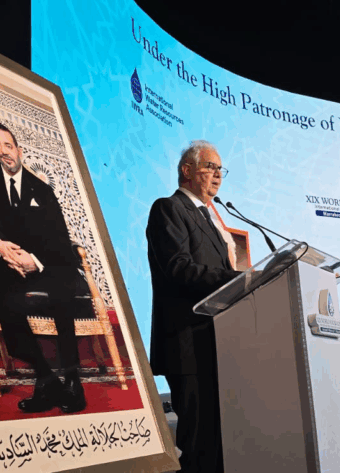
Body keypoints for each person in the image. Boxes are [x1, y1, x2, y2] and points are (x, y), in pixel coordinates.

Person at [0, 121, 88, 414]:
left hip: (46, 263)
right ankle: (46, 378)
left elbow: (59, 238)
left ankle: (73, 380)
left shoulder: (41, 189)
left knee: (62, 280)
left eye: (8, 145)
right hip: (9, 263)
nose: (3, 151)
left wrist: (35, 261)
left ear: (19, 150)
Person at [147, 140, 241, 473]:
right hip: (187, 343)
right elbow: (178, 268)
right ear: (187, 171)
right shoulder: (168, 208)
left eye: (220, 170)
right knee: (199, 443)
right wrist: (238, 279)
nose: (218, 175)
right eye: (210, 167)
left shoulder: (208, 218)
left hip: (215, 343)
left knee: (219, 442)